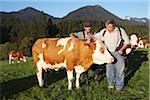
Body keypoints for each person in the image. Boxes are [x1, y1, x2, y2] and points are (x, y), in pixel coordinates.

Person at [95, 19, 130, 91]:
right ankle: (110, 84)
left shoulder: (120, 30)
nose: (109, 29)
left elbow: (127, 42)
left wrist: (122, 49)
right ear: (106, 26)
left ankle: (119, 87)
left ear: (114, 26)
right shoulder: (104, 31)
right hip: (108, 53)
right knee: (109, 70)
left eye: (111, 27)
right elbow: (96, 37)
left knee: (120, 70)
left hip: (118, 53)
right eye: (108, 27)